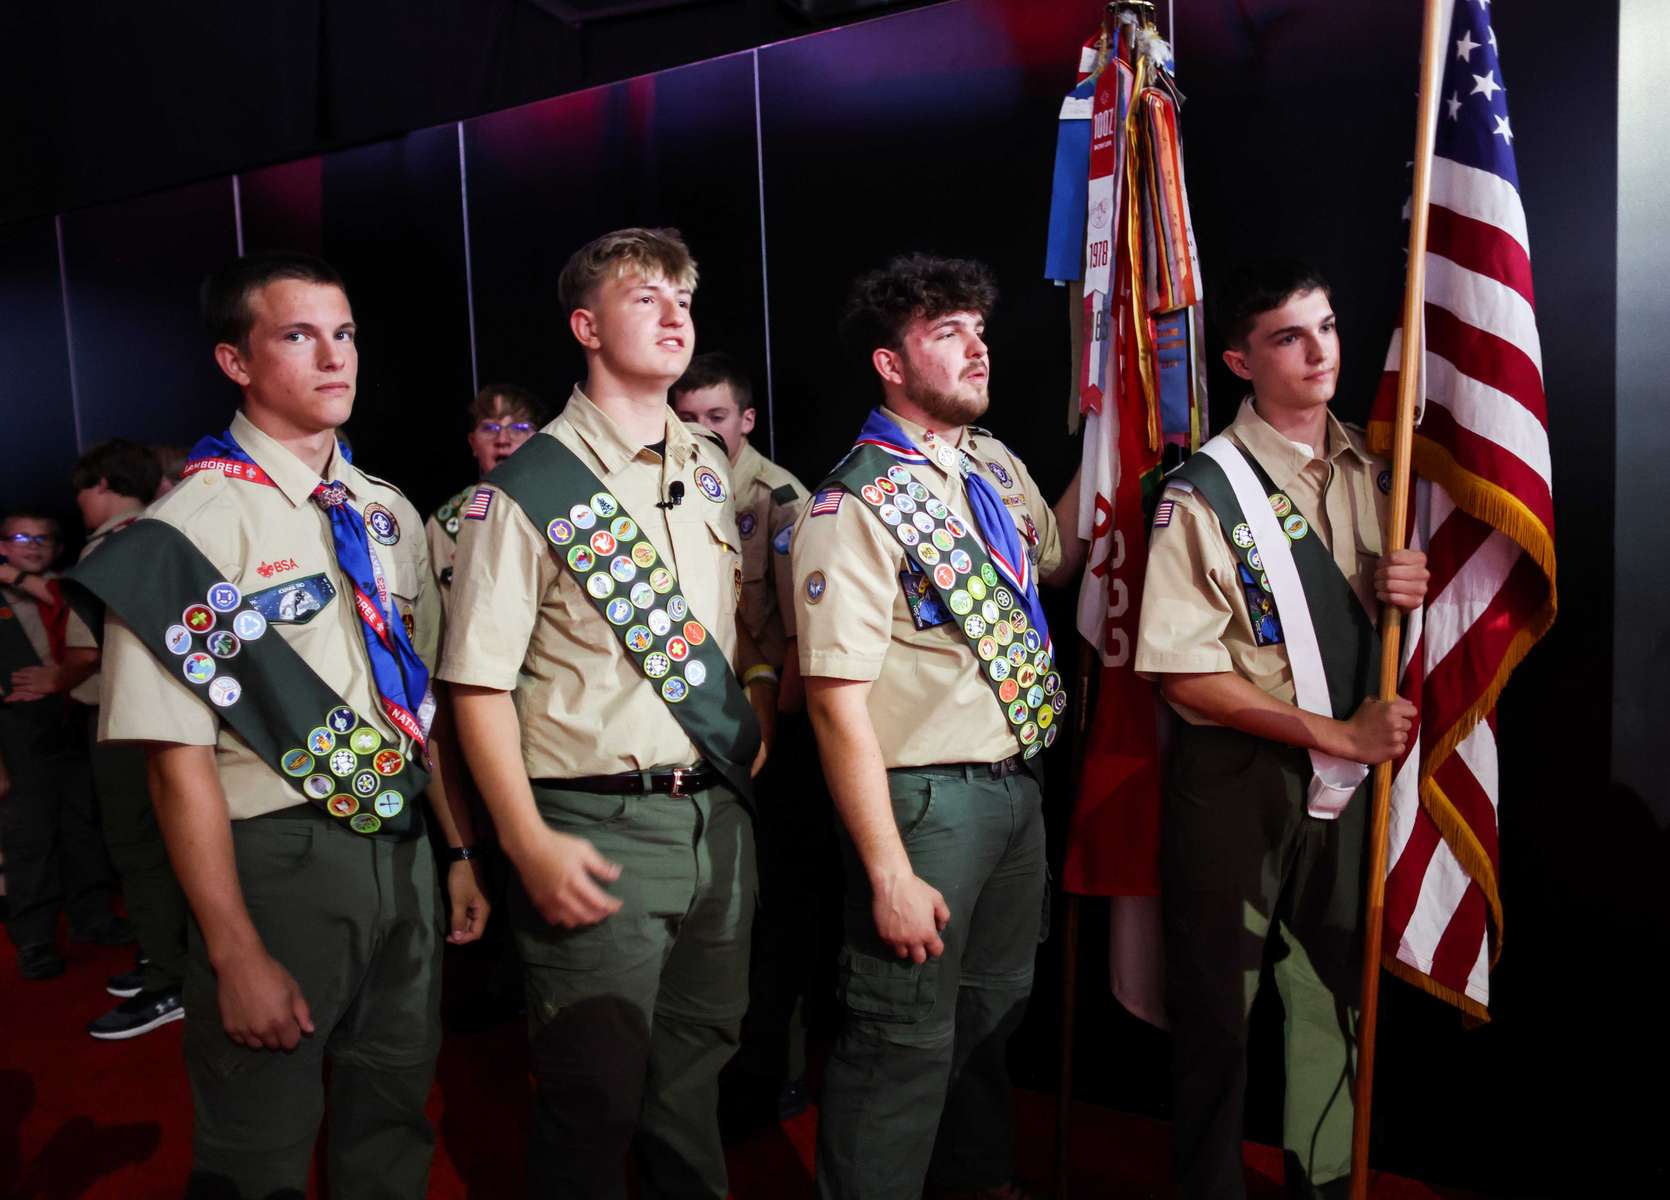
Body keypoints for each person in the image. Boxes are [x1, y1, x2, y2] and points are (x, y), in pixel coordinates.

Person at [73, 250, 488, 1198]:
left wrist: (454, 852)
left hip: (403, 849)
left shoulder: (384, 512)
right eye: (298, 335)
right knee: (256, 1149)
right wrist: (230, 950)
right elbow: (176, 767)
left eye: (343, 334)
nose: (334, 357)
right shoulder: (181, 535)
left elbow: (416, 708)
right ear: (237, 362)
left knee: (391, 1123)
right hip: (275, 862)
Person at [439, 227, 773, 1199]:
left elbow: (739, 634)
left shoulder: (710, 465)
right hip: (592, 821)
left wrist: (755, 724)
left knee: (693, 1079)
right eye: (645, 299)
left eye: (682, 299)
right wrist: (524, 844)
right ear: (586, 326)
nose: (674, 316)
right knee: (592, 1101)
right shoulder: (525, 491)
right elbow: (475, 687)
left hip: (713, 816)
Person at [1133, 258, 1429, 1200]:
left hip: (1343, 785)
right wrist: (1337, 739)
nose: (1319, 352)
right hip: (1239, 781)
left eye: (1330, 327)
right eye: (1289, 337)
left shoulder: (1376, 468)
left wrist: (1406, 593)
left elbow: (1361, 631)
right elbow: (1184, 676)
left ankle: (1326, 1181)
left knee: (1331, 999)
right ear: (1240, 360)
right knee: (1219, 1015)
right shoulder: (1202, 490)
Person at [792, 253, 1083, 1200]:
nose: (976, 349)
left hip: (1016, 787)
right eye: (946, 333)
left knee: (990, 1027)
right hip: (924, 806)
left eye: (979, 330)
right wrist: (887, 871)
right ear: (890, 362)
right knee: (900, 1041)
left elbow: (1049, 562)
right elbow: (834, 704)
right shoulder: (852, 504)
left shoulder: (991, 463)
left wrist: (1116, 441)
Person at [670, 351, 818, 1126]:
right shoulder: (663, 490)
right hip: (689, 735)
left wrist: (767, 724)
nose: (700, 431)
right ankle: (701, 1081)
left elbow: (800, 643)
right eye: (687, 416)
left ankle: (772, 1073)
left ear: (746, 420)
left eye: (716, 417)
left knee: (769, 915)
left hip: (771, 738)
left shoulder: (779, 498)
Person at [59, 439, 193, 1037]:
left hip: (126, 722)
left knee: (141, 850)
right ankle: (171, 962)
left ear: (106, 485)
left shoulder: (108, 546)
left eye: (82, 491)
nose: (79, 504)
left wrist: (55, 677)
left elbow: (86, 649)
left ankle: (171, 979)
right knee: (173, 846)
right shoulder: (167, 527)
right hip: (180, 721)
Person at [1, 512, 130, 980]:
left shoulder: (65, 587)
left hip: (71, 717)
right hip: (17, 727)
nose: (32, 546)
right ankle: (34, 940)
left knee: (83, 823)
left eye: (44, 539)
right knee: (30, 837)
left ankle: (92, 918)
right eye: (19, 538)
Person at [425, 383, 546, 607]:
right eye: (490, 428)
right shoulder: (444, 524)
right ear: (472, 442)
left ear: (537, 439)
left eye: (518, 428)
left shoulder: (559, 507)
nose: (502, 439)